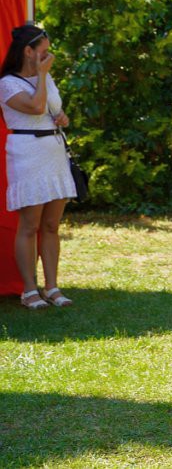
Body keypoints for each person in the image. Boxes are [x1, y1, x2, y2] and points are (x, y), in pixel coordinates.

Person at [0, 25, 76, 309]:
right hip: (27, 154)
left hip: (53, 153)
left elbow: (51, 108)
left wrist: (62, 117)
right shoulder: (7, 83)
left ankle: (52, 287)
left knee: (51, 225)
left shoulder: (47, 76)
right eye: (43, 49)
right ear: (28, 51)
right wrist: (42, 76)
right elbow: (34, 107)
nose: (49, 54)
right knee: (30, 225)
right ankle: (29, 290)